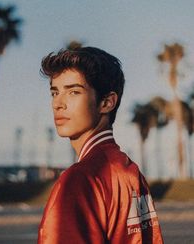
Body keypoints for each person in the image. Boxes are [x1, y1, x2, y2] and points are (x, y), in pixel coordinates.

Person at [37, 47, 163, 243]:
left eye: (73, 92)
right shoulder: (129, 170)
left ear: (107, 102)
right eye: (55, 93)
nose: (58, 104)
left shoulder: (79, 179)